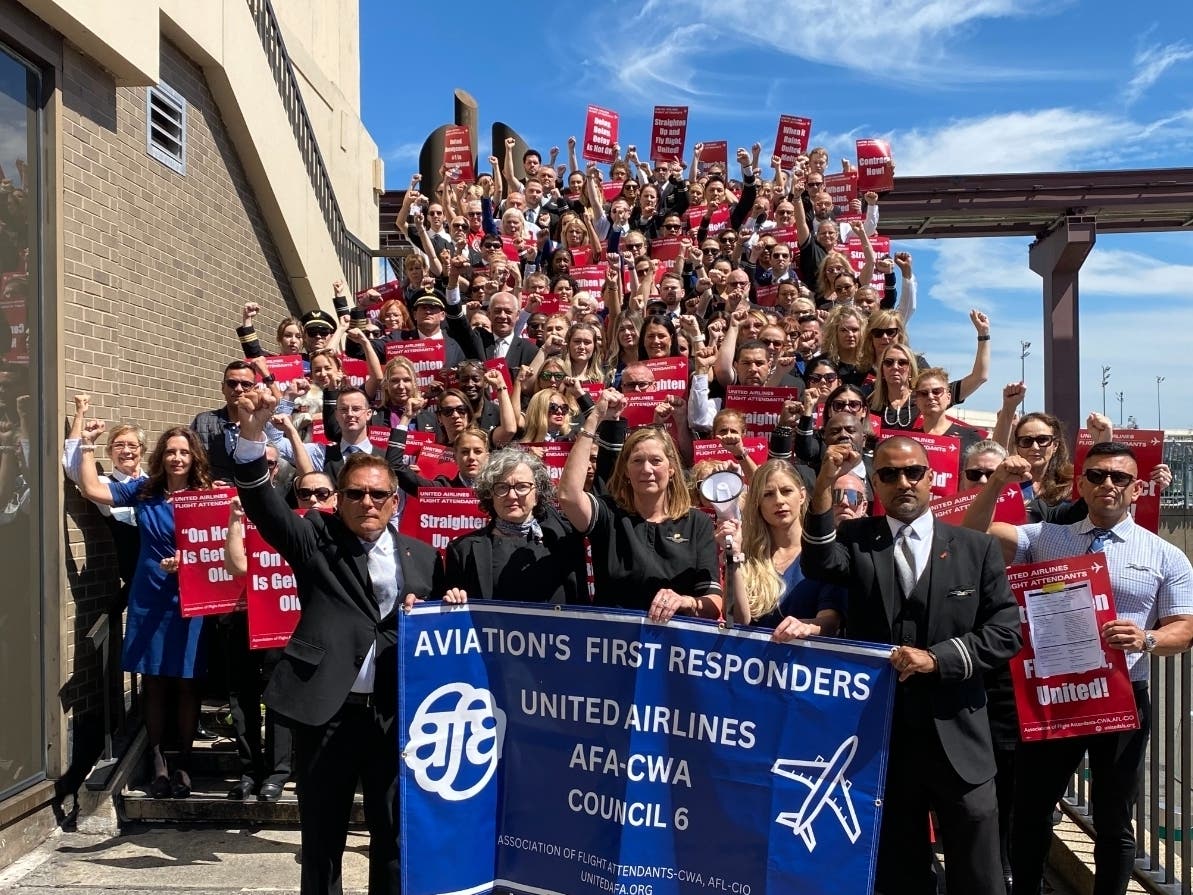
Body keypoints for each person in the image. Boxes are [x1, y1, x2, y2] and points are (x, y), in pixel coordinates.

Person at [232, 387, 446, 895]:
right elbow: (262, 503)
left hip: (395, 716)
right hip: (327, 712)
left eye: (378, 494)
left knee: (392, 835)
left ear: (395, 501)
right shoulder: (315, 540)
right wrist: (251, 435)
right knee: (322, 838)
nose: (366, 502)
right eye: (355, 493)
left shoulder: (425, 557)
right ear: (338, 498)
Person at [967, 445, 1193, 895]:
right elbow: (971, 537)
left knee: (1114, 817)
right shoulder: (1046, 536)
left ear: (1136, 489)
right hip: (1054, 696)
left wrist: (1146, 639)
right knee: (1029, 812)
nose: (1108, 484)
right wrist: (996, 483)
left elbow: (1183, 630)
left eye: (1120, 478)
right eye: (1097, 475)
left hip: (1122, 696)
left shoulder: (1166, 555)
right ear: (1082, 484)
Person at [800, 435, 1022, 895]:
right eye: (888, 474)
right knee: (899, 872)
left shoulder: (974, 548)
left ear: (931, 478)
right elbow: (819, 561)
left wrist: (938, 659)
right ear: (875, 484)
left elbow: (1006, 633)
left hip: (960, 737)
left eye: (913, 472)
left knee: (979, 874)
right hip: (882, 741)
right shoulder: (857, 540)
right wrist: (823, 484)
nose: (903, 482)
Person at [74, 423, 217, 801]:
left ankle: (183, 763)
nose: (177, 457)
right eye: (171, 451)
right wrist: (86, 445)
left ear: (194, 457)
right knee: (153, 681)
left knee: (187, 681)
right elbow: (92, 489)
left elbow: (221, 548)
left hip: (191, 596)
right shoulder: (143, 490)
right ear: (161, 456)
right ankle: (157, 763)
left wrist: (191, 558)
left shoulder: (205, 496)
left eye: (184, 452)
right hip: (150, 594)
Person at [558, 391, 722, 620]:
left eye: (656, 461)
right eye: (637, 461)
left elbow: (713, 601)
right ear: (625, 471)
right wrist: (595, 418)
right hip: (615, 643)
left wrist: (685, 601)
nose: (646, 470)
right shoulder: (609, 514)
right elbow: (568, 495)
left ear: (671, 469)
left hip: (672, 646)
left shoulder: (698, 522)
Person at [443, 448, 588, 604]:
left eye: (522, 486)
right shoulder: (462, 549)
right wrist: (451, 601)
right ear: (490, 495)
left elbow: (581, 608)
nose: (512, 495)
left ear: (537, 495)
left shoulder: (565, 543)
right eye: (502, 487)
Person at [720, 460, 846, 635]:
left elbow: (831, 622)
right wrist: (733, 558)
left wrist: (806, 627)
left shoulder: (824, 554)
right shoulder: (746, 554)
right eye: (768, 494)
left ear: (801, 496)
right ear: (758, 503)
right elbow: (736, 620)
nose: (779, 501)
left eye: (786, 491)